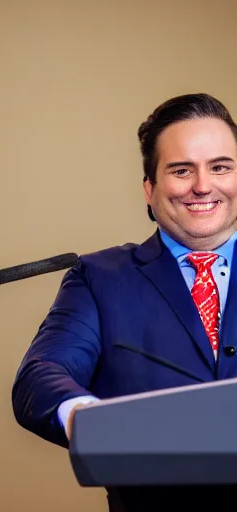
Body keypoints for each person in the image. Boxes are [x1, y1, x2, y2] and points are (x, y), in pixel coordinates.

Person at [12, 93, 237, 511]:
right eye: (181, 170)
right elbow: (40, 377)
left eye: (220, 167)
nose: (203, 185)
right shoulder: (99, 279)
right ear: (150, 188)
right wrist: (84, 417)